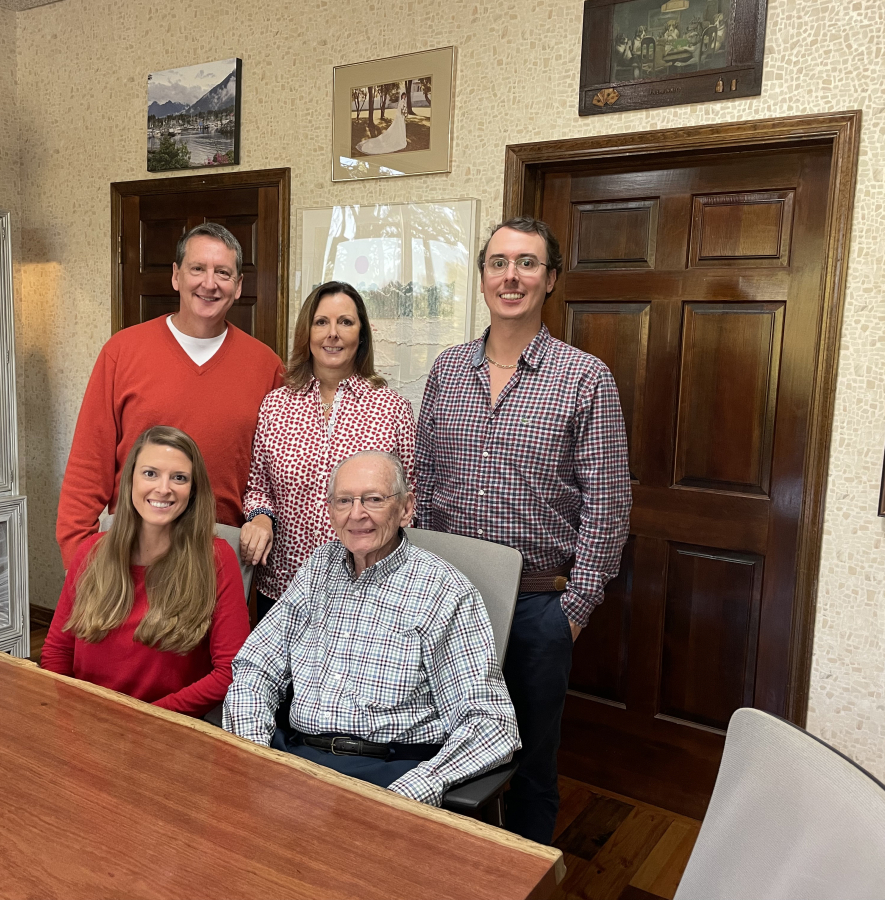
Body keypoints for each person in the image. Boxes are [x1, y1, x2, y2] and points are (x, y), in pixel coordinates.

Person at [414, 216, 632, 843]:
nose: (511, 276)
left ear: (550, 279)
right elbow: (423, 480)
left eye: (527, 263)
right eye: (499, 262)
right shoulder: (447, 371)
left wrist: (575, 607)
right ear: (482, 276)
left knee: (532, 764)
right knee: (445, 746)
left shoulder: (584, 378)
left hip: (540, 604)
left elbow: (609, 504)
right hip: (447, 599)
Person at [224, 450, 518, 807]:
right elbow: (256, 667)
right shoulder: (318, 568)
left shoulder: (444, 590)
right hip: (294, 759)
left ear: (406, 509)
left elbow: (492, 724)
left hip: (388, 774)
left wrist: (421, 786)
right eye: (344, 500)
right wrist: (254, 751)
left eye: (374, 499)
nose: (356, 514)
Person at [56, 223, 284, 569]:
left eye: (223, 272)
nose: (209, 283)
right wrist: (79, 561)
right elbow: (88, 465)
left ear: (238, 287)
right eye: (198, 269)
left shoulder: (266, 366)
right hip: (133, 553)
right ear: (176, 276)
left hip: (221, 558)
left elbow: (272, 473)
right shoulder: (123, 352)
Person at [41, 426, 250, 717]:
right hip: (83, 719)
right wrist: (69, 712)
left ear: (193, 491)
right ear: (130, 481)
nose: (163, 488)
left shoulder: (215, 559)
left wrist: (147, 718)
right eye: (150, 473)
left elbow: (230, 671)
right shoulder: (91, 551)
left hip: (165, 729)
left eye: (179, 478)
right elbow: (57, 652)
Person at [239, 281, 416, 620]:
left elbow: (410, 498)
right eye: (321, 322)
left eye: (345, 322)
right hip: (284, 587)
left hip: (368, 588)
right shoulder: (276, 405)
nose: (332, 333)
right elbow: (257, 487)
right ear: (307, 332)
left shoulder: (391, 409)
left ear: (361, 334)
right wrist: (260, 517)